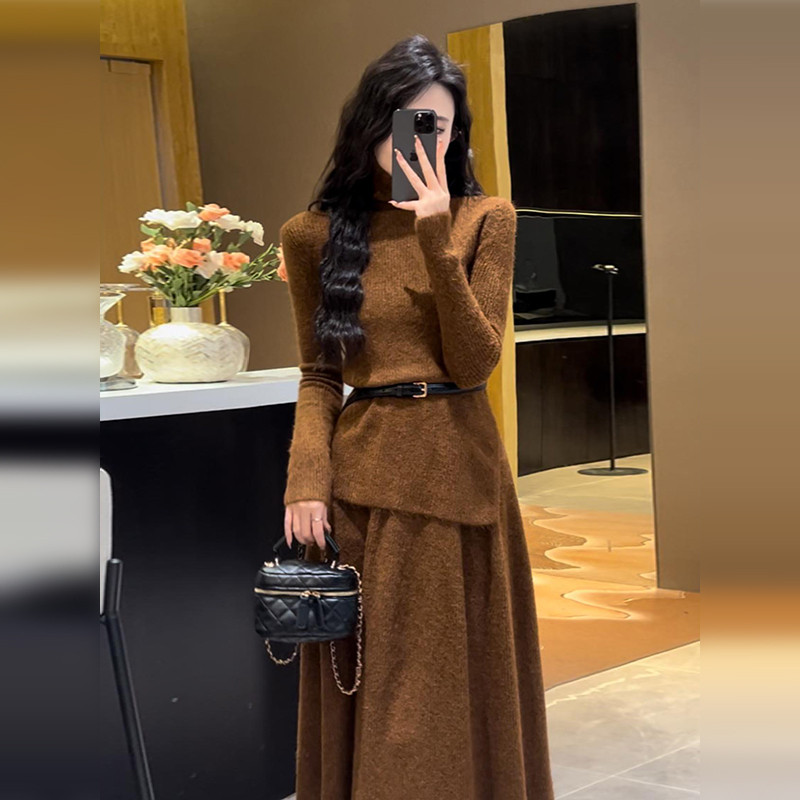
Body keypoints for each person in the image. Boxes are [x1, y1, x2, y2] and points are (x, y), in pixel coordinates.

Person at [279, 34, 554, 800]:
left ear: (457, 134)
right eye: (409, 121)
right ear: (373, 123)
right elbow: (318, 374)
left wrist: (435, 236)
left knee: (454, 684)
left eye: (440, 126)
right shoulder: (311, 236)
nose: (424, 141)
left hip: (460, 476)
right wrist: (305, 479)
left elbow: (475, 362)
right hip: (364, 487)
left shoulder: (485, 219)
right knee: (382, 691)